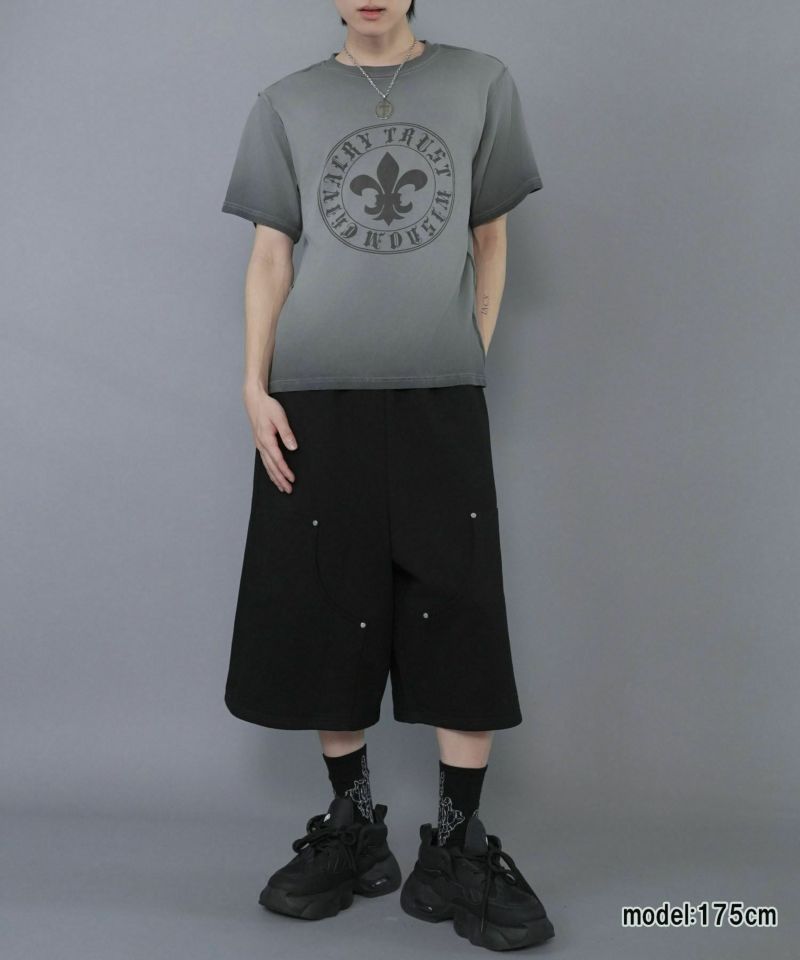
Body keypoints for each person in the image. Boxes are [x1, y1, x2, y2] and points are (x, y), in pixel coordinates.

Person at [220, 0, 554, 950]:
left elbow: (490, 235)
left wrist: (468, 351)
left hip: (437, 393)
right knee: (330, 599)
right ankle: (355, 823)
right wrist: (253, 384)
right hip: (314, 394)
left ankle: (455, 843)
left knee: (458, 599)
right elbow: (271, 255)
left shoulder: (480, 82)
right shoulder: (285, 102)